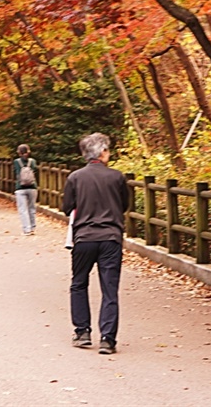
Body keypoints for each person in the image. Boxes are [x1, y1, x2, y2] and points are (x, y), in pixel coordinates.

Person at [62, 132, 131, 355]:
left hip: (84, 237)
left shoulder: (75, 177)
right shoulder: (117, 177)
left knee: (78, 283)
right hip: (111, 237)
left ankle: (82, 332)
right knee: (109, 288)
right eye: (108, 150)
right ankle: (107, 339)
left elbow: (67, 207)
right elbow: (124, 205)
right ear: (102, 152)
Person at [13, 144, 38, 235]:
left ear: (19, 152)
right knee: (32, 208)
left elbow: (15, 172)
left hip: (20, 188)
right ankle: (32, 227)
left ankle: (26, 229)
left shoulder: (16, 162)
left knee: (23, 209)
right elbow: (35, 171)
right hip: (32, 187)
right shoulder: (33, 161)